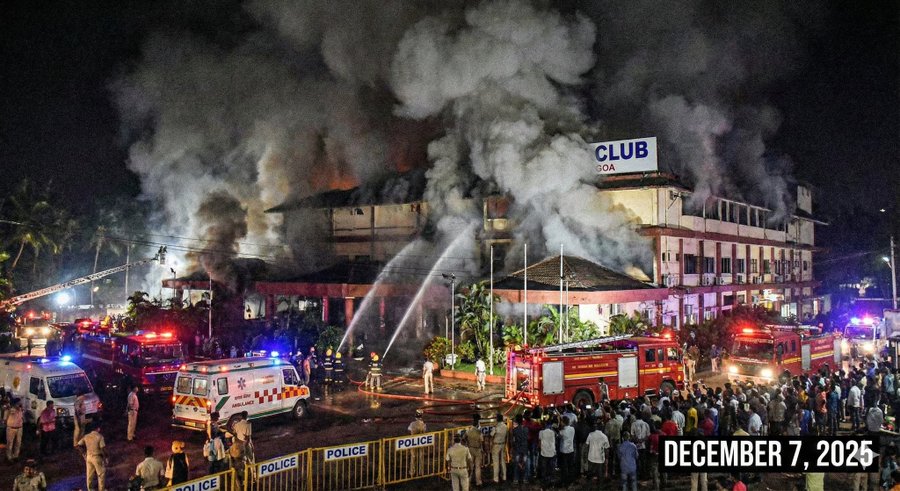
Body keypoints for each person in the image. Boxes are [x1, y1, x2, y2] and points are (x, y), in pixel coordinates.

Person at [76, 422, 107, 491]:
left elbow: (78, 445)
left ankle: (90, 489)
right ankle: (101, 489)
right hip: (97, 457)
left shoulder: (86, 436)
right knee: (101, 474)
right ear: (98, 429)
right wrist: (106, 457)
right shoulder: (100, 436)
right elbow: (103, 448)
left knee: (89, 475)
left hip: (89, 457)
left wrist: (84, 453)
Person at [464, 415, 484, 487]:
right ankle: (479, 482)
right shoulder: (479, 432)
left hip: (470, 449)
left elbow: (464, 438)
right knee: (478, 467)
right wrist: (483, 450)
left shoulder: (468, 431)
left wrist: (467, 443)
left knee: (470, 467)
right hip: (478, 450)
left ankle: (468, 481)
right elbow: (482, 441)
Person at [511, 415, 530, 485]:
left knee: (517, 464)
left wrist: (513, 447)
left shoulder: (514, 430)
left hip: (517, 448)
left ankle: (516, 479)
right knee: (525, 464)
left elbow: (513, 440)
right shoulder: (526, 429)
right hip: (525, 448)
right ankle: (525, 479)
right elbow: (527, 438)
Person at [490, 413, 508, 484]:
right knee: (503, 461)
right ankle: (504, 476)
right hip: (503, 444)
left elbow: (491, 435)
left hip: (496, 445)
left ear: (497, 419)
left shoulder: (496, 427)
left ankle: (496, 479)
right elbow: (507, 436)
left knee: (496, 462)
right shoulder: (505, 426)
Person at [408, 410, 427, 477]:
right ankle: (421, 472)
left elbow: (409, 430)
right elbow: (424, 431)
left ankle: (412, 472)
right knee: (421, 455)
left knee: (413, 456)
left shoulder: (412, 424)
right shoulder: (423, 424)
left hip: (413, 442)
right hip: (421, 441)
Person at [538, 420, 557, 486]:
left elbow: (539, 443)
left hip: (544, 452)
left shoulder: (541, 432)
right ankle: (552, 481)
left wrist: (540, 449)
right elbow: (555, 441)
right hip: (552, 452)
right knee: (551, 467)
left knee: (544, 468)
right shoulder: (553, 432)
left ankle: (544, 481)